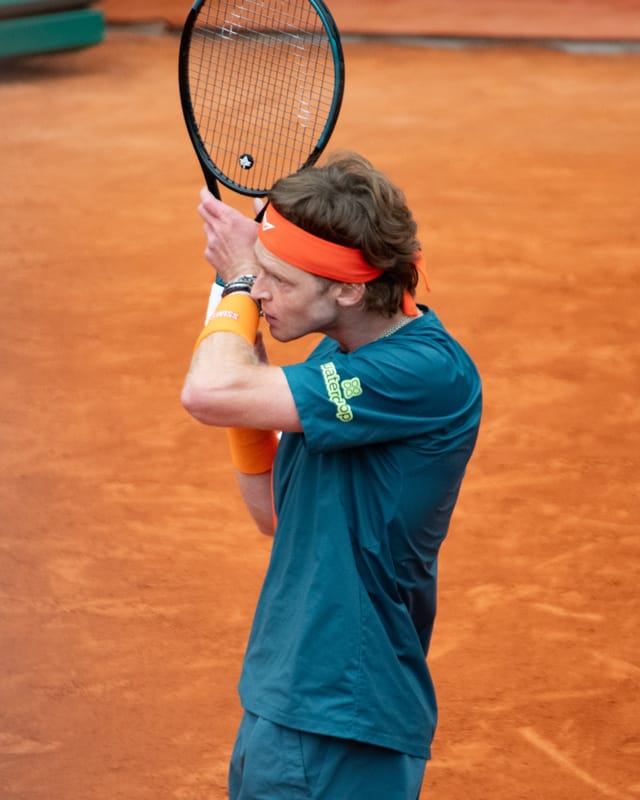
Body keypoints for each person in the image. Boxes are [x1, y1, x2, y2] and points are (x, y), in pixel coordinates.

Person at [181, 151, 482, 800]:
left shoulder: (425, 374)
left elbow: (208, 391)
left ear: (347, 288)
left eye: (277, 281)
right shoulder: (334, 355)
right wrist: (250, 352)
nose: (262, 293)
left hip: (344, 715)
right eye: (259, 277)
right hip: (285, 697)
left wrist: (234, 286)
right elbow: (273, 513)